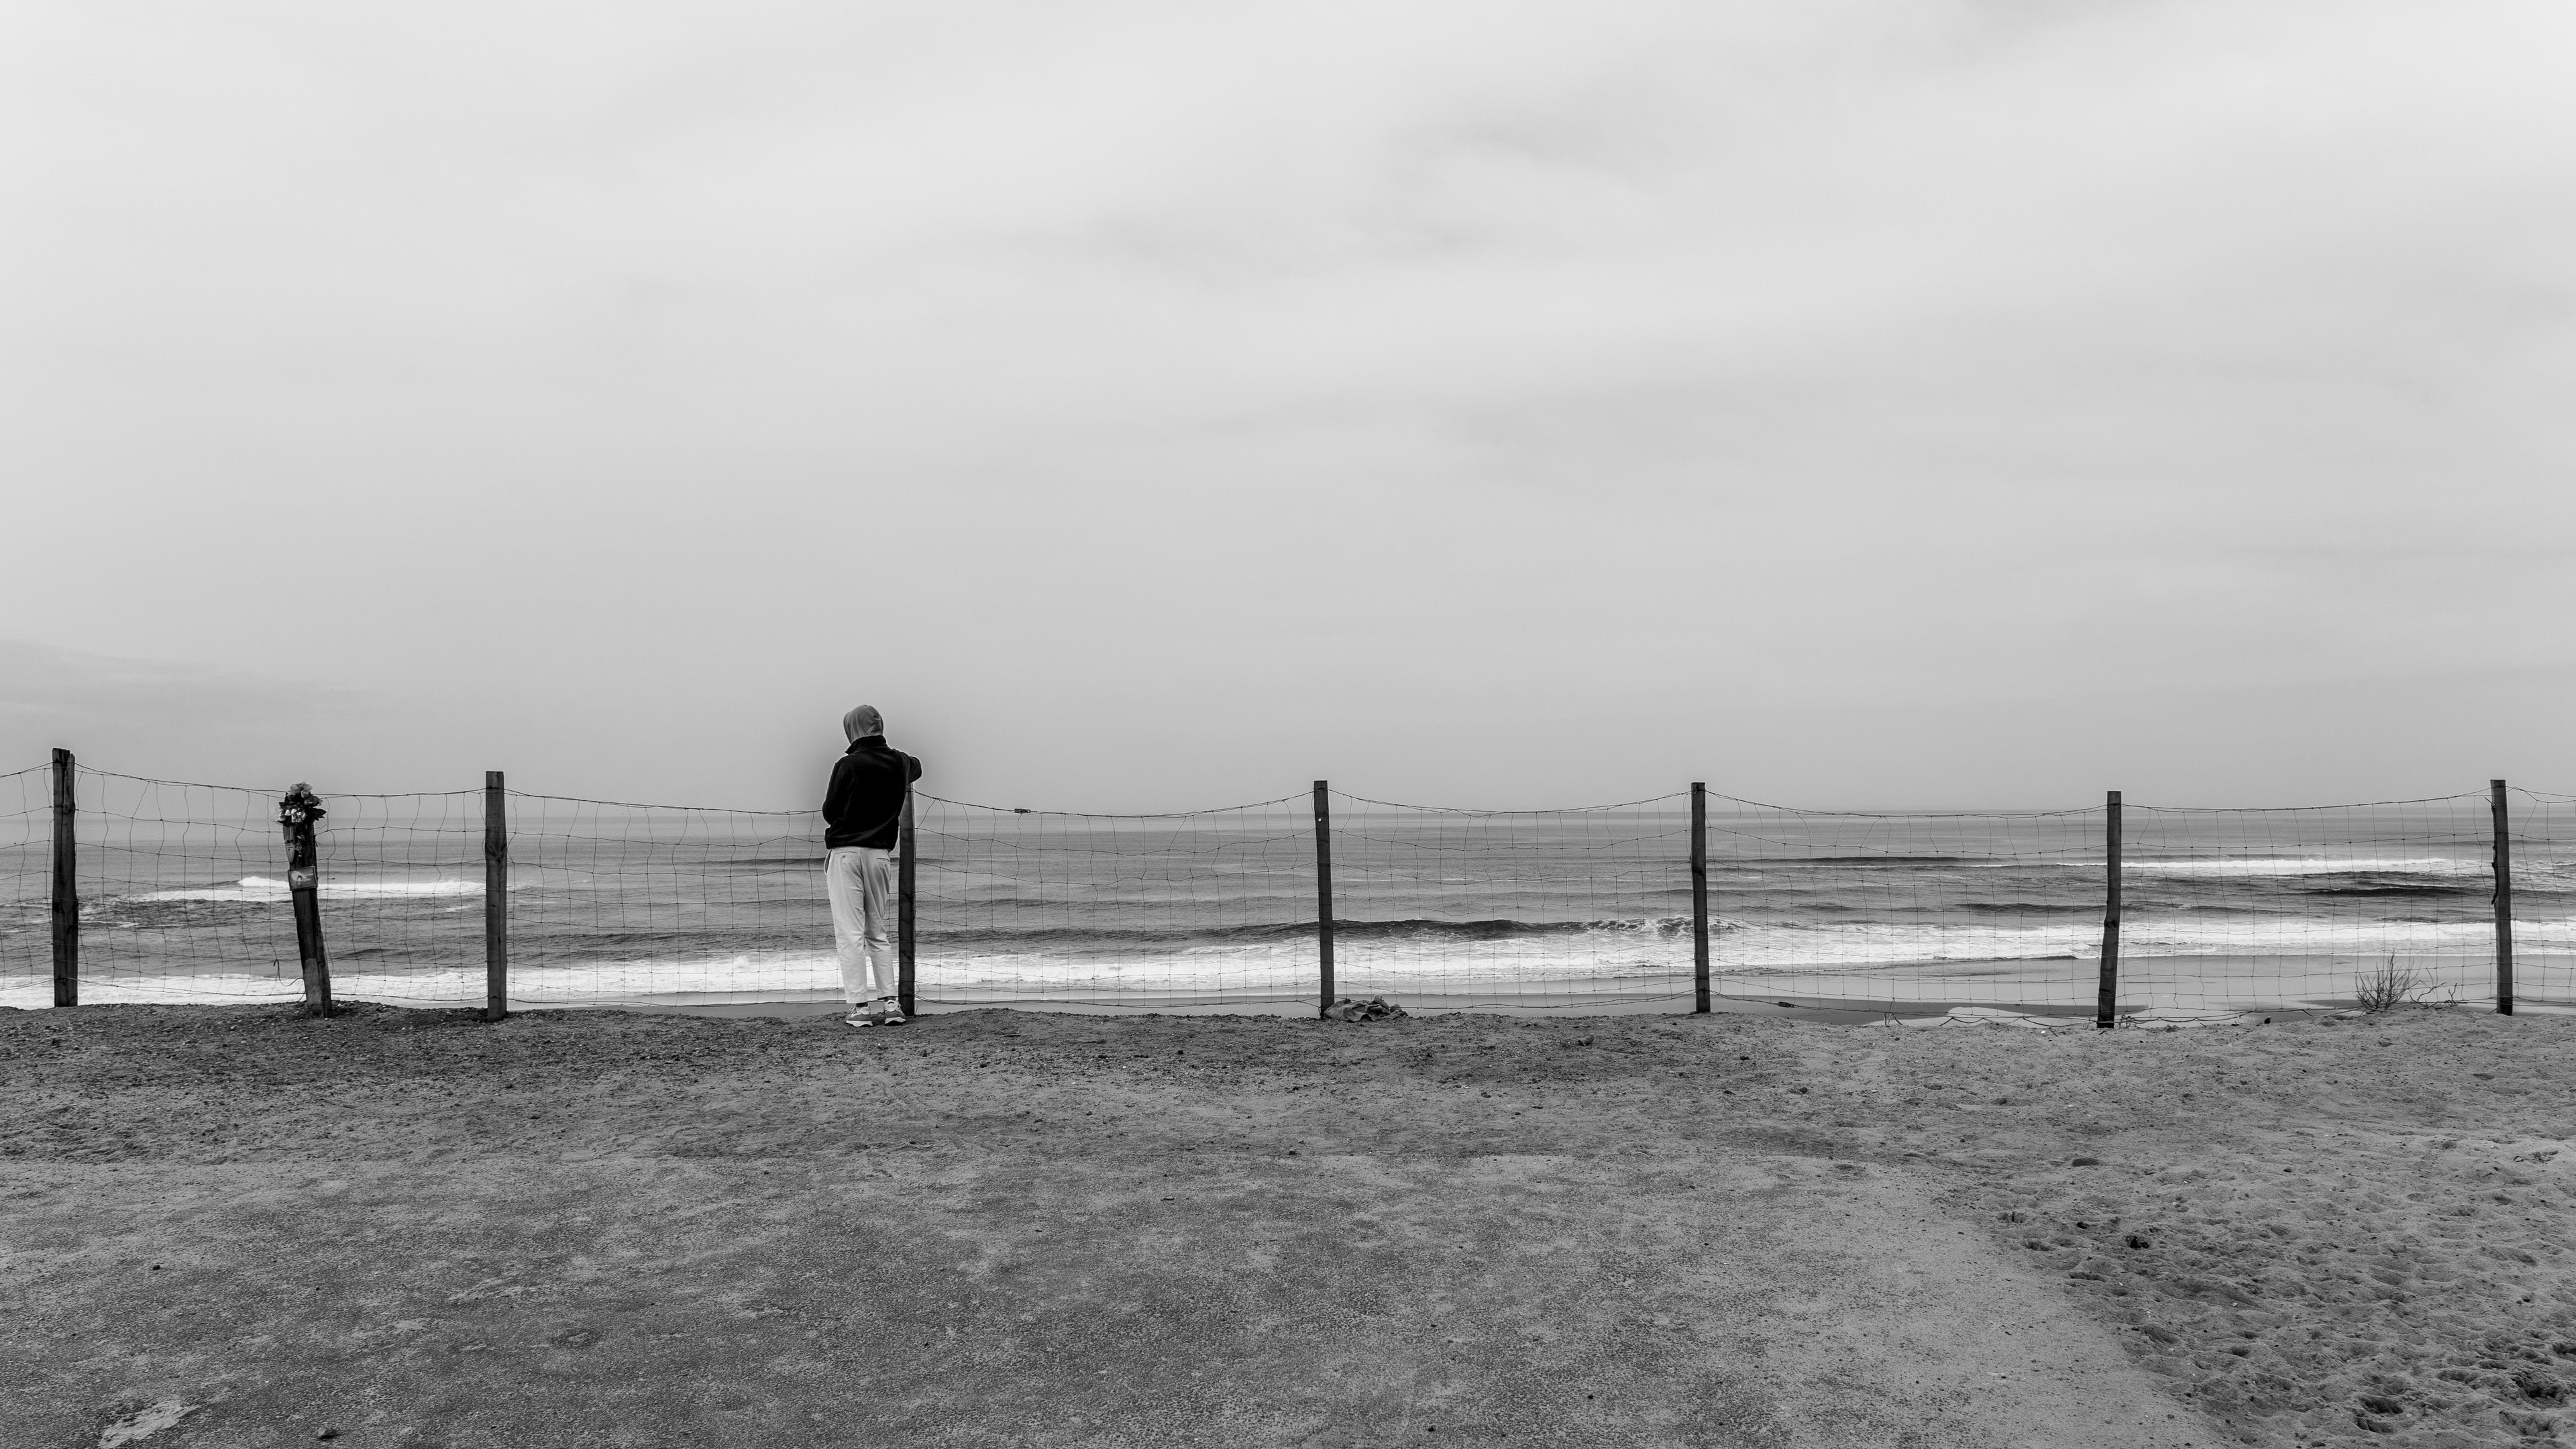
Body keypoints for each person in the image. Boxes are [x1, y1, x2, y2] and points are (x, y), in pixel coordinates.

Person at [822, 704, 922, 1027]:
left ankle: (860, 1008)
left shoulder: (847, 764)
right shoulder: (901, 762)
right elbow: (917, 767)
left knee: (850, 933)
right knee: (877, 931)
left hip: (847, 853)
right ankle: (892, 1005)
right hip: (879, 854)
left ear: (853, 730)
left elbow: (830, 811)